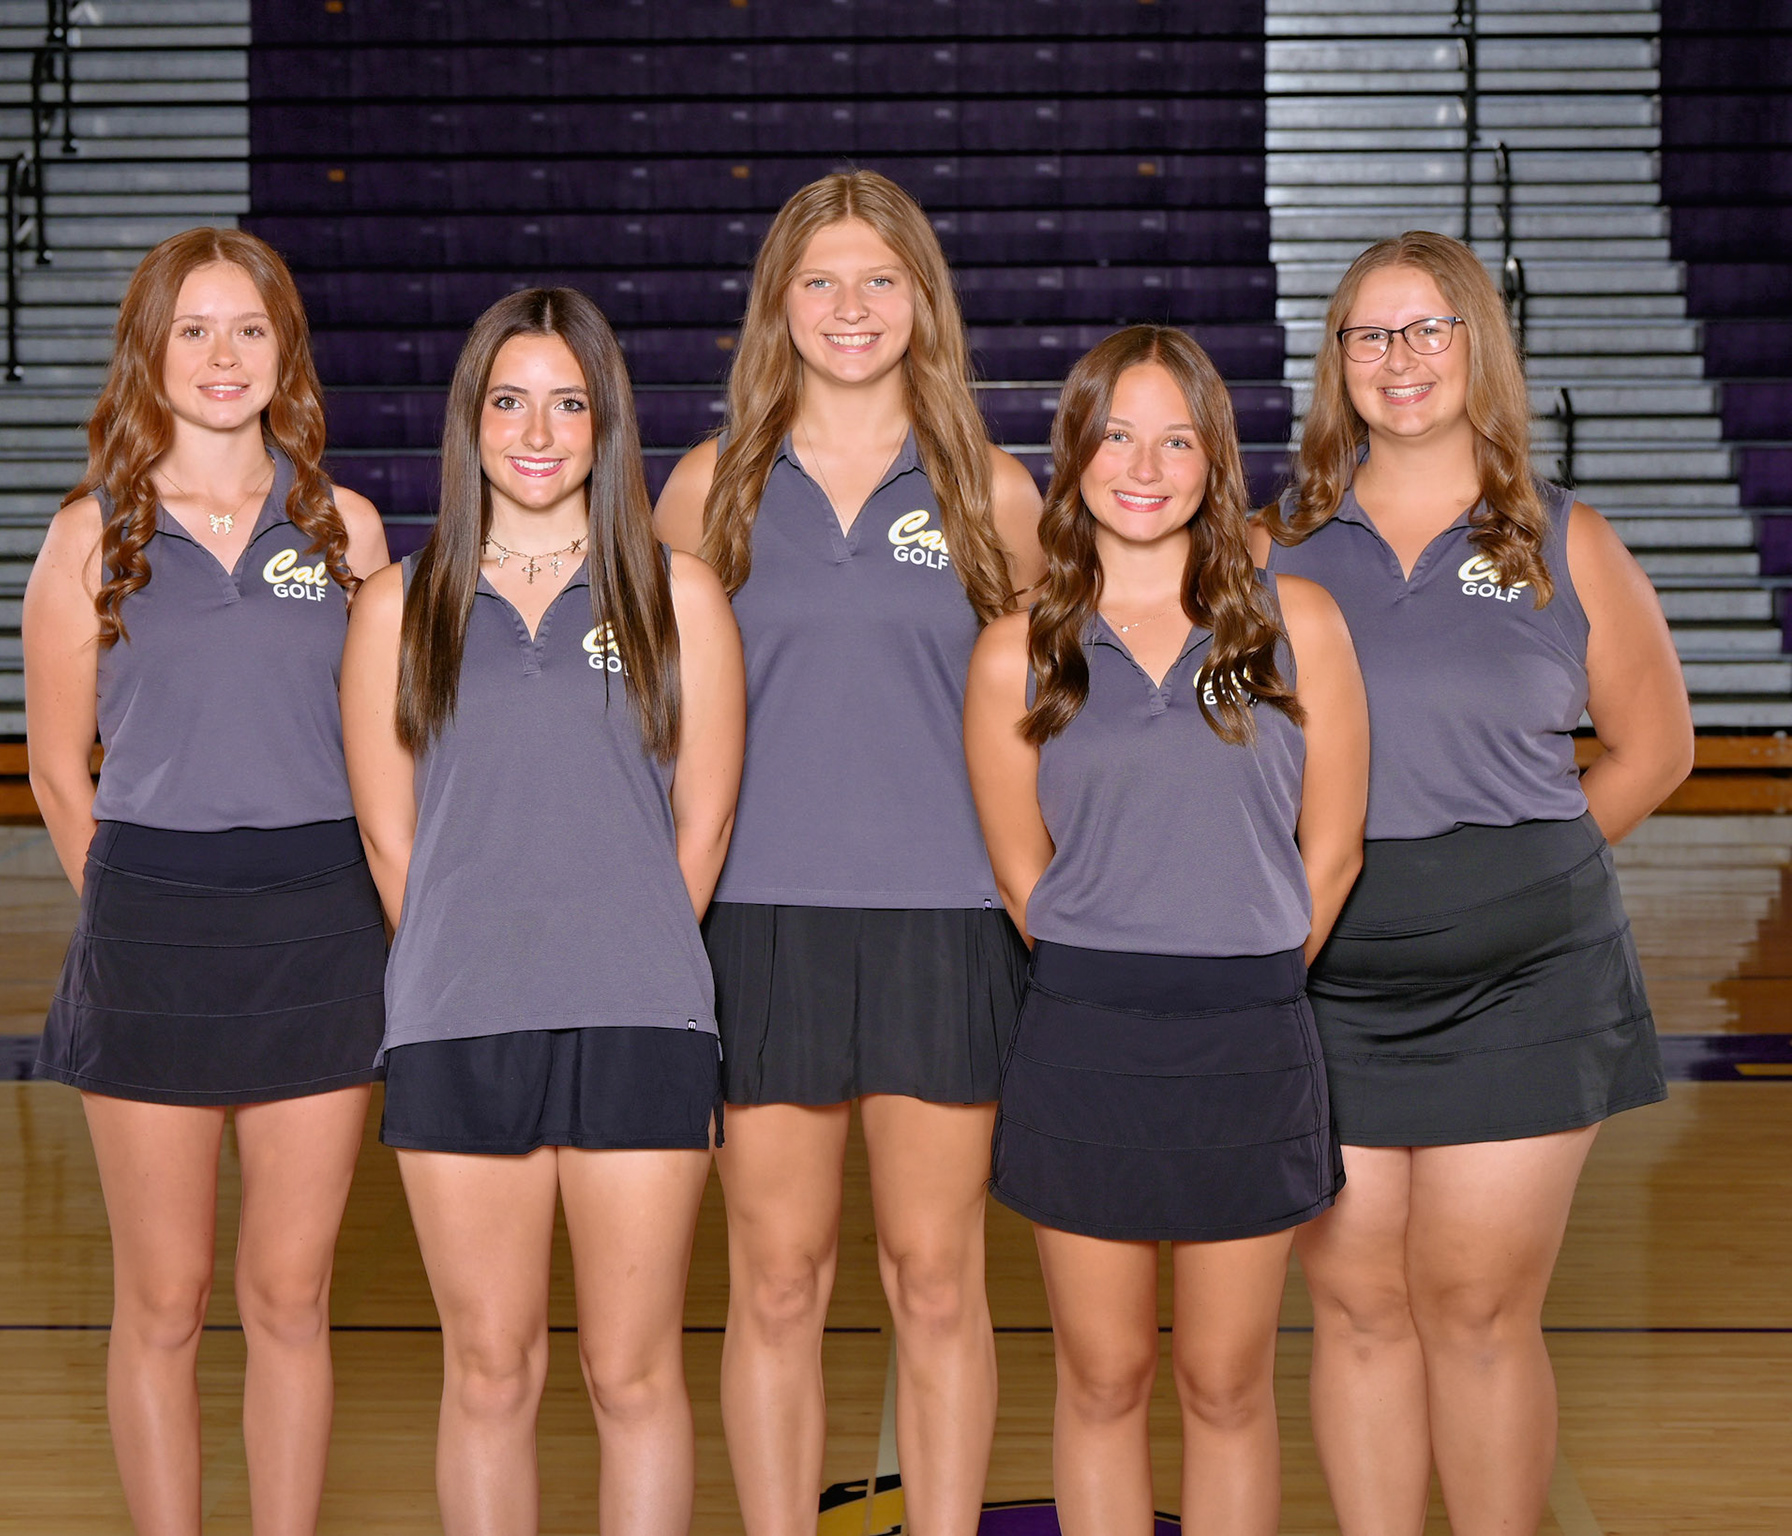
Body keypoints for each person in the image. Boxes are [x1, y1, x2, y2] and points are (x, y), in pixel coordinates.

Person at [1255, 231, 1694, 1536]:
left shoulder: (1567, 537)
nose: (1400, 357)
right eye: (1371, 333)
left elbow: (1656, 747)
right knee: (1357, 1306)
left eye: (1429, 328)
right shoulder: (1269, 546)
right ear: (1338, 360)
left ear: (1478, 347)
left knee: (1477, 1306)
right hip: (1327, 976)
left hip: (1525, 981)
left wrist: (1522, 875)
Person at [653, 168, 1045, 1536]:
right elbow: (650, 725)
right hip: (759, 922)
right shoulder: (707, 489)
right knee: (777, 1279)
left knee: (936, 1276)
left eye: (880, 278)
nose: (850, 306)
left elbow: (1055, 715)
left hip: (951, 921)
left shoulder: (995, 491)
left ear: (923, 301)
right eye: (818, 280)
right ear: (776, 305)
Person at [340, 287, 744, 1536]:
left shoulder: (680, 597)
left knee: (632, 1373)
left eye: (569, 404)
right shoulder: (396, 605)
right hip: (460, 1020)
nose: (537, 431)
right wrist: (480, 957)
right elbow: (391, 840)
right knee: (489, 1370)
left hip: (641, 1019)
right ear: (469, 420)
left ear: (607, 423)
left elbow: (703, 826)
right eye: (509, 401)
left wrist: (619, 947)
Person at [964, 326, 1369, 1536]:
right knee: (1103, 1378)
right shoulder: (1015, 648)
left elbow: (1334, 847)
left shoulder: (1299, 622)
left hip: (1249, 1038)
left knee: (1226, 1382)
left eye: (1177, 440)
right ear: (1075, 452)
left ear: (1216, 459)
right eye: (1117, 436)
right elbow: (1021, 874)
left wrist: (1245, 964)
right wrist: (1120, 956)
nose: (1144, 468)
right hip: (1085, 1040)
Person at [23, 226, 391, 1535]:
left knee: (290, 1295)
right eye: (194, 329)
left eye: (249, 328)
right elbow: (57, 769)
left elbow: (389, 746)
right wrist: (136, 912)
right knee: (165, 1297)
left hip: (321, 927)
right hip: (152, 930)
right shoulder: (89, 536)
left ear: (285, 350)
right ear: (152, 351)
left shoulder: (345, 527)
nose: (223, 355)